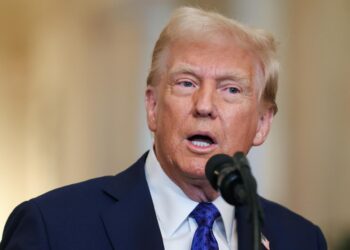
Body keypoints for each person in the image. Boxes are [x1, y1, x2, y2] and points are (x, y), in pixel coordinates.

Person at [0, 6, 327, 250]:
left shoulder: (300, 239)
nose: (204, 105)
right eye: (186, 83)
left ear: (262, 123)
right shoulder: (52, 227)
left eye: (230, 89)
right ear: (153, 107)